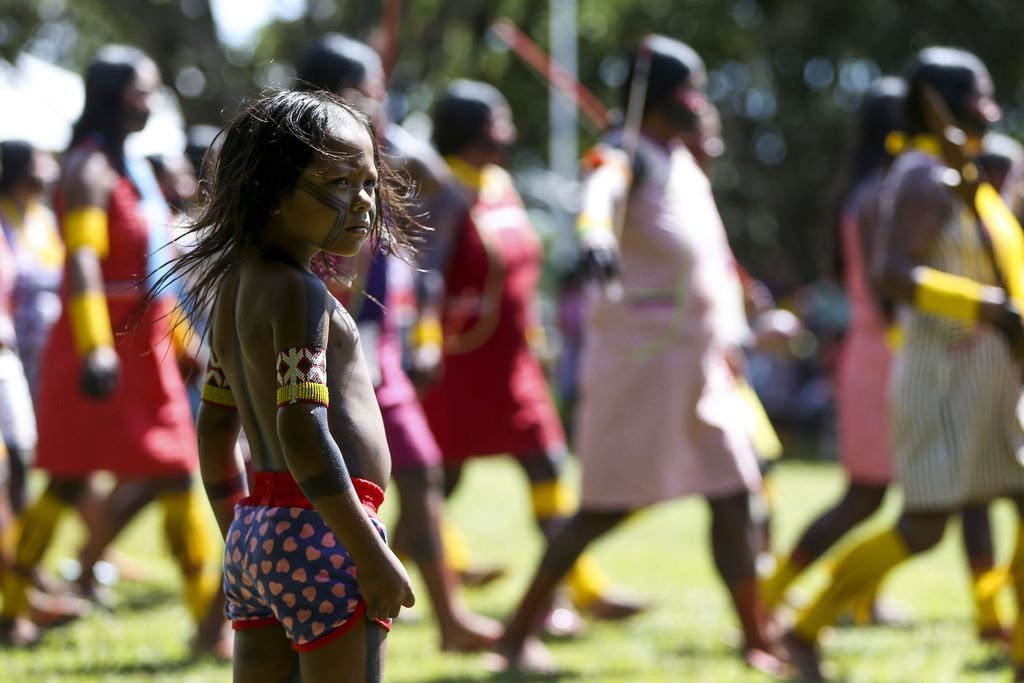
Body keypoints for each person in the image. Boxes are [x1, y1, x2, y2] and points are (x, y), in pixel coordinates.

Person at [495, 36, 780, 674]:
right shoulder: (626, 153)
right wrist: (594, 234)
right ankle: (513, 639)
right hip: (641, 371)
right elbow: (601, 193)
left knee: (735, 495)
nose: (702, 103)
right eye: (693, 89)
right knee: (601, 512)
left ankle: (757, 637)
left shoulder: (680, 160)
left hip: (701, 373)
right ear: (661, 96)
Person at [150, 88, 416, 682]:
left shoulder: (235, 292)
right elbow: (302, 425)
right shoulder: (298, 294)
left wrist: (241, 534)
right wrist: (369, 555)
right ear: (270, 191)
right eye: (341, 183)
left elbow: (215, 430)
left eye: (369, 182)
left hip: (259, 531)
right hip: (326, 532)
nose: (365, 202)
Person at [782, 47, 1024, 682]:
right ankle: (803, 627)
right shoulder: (919, 175)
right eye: (980, 96)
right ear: (937, 103)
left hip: (987, 377)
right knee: (922, 528)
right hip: (941, 376)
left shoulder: (961, 174)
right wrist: (989, 308)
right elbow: (891, 273)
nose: (992, 109)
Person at [0, 45, 220, 651]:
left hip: (148, 349)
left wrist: (187, 340)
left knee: (177, 475)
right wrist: (97, 347)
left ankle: (210, 624)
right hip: (96, 349)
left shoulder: (140, 172)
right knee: (66, 481)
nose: (151, 101)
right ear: (114, 94)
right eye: (142, 89)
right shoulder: (87, 171)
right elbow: (82, 268)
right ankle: (13, 608)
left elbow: (158, 273)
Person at [292, 33, 499, 652]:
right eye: (365, 87)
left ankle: (451, 620)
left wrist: (379, 124)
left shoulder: (374, 162)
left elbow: (438, 186)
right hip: (319, 353)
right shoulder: (300, 171)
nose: (378, 97)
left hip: (378, 358)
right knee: (309, 497)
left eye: (380, 88)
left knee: (422, 473)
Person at [420, 78, 645, 629]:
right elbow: (423, 278)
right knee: (435, 483)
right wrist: (423, 345)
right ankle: (378, 573)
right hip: (459, 365)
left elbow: (523, 277)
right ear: (469, 129)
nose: (509, 131)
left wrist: (539, 340)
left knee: (546, 464)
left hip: (514, 362)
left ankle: (574, 591)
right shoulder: (443, 192)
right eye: (497, 120)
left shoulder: (501, 185)